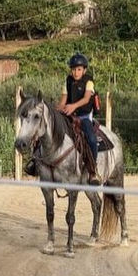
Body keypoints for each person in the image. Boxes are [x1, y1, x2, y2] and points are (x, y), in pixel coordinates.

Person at [56, 52, 100, 185]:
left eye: (79, 69)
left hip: (84, 116)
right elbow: (63, 100)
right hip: (70, 115)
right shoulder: (68, 81)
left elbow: (86, 99)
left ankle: (93, 171)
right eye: (74, 69)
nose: (76, 72)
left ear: (84, 70)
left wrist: (73, 106)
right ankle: (40, 162)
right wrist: (57, 109)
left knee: (92, 139)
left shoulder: (89, 82)